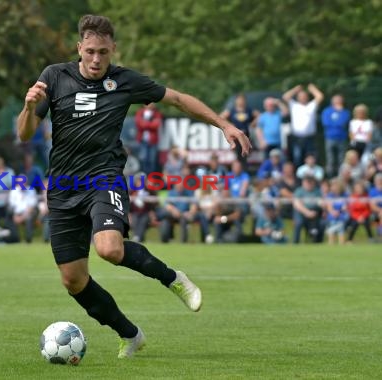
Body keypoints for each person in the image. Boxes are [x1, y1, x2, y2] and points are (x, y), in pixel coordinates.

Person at [16, 15, 251, 359]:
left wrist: (223, 124)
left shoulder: (124, 81)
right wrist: (27, 106)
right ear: (80, 48)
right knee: (73, 281)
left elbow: (179, 99)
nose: (97, 60)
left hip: (103, 177)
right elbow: (24, 134)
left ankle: (173, 278)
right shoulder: (54, 77)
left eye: (104, 53)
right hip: (63, 187)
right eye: (91, 51)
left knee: (110, 249)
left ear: (113, 50)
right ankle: (131, 334)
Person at [321, 94, 350, 178]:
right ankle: (330, 176)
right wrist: (338, 123)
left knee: (341, 159)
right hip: (329, 138)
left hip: (342, 138)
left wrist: (336, 122)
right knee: (330, 159)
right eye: (336, 100)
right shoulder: (327, 111)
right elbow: (326, 123)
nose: (338, 102)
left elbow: (344, 122)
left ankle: (341, 176)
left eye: (340, 100)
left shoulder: (345, 112)